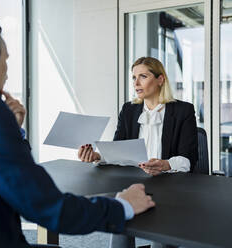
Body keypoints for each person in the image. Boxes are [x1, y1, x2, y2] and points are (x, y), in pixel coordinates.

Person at [0, 14, 155, 248]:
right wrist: (122, 206)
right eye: (6, 59)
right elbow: (48, 208)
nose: (7, 73)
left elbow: (0, 175)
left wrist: (13, 129)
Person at [78, 57, 198, 247]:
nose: (136, 83)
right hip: (131, 182)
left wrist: (166, 164)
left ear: (160, 79)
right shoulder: (129, 110)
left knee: (161, 237)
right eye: (134, 77)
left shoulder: (183, 110)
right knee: (119, 221)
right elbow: (118, 149)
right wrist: (98, 156)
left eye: (143, 76)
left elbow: (188, 158)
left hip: (170, 186)